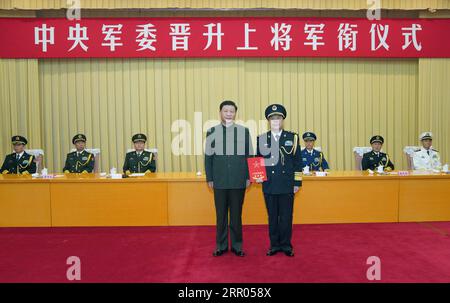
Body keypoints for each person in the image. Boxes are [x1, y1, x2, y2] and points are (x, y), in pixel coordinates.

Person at [205, 100, 253, 257]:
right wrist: (210, 178)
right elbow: (208, 157)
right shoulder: (212, 131)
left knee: (236, 215)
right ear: (220, 113)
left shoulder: (243, 131)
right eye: (225, 111)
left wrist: (249, 176)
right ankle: (221, 245)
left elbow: (249, 155)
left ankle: (237, 245)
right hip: (219, 180)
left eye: (231, 111)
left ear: (235, 113)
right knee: (221, 215)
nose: (228, 114)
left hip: (238, 180)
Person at [256, 104, 303, 257]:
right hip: (269, 184)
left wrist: (297, 183)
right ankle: (274, 245)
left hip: (287, 184)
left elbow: (297, 162)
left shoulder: (293, 138)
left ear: (283, 120)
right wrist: (257, 176)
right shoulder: (262, 139)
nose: (275, 120)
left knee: (286, 216)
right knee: (272, 217)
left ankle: (286, 245)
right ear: (268, 121)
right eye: (272, 118)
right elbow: (258, 161)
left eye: (278, 118)